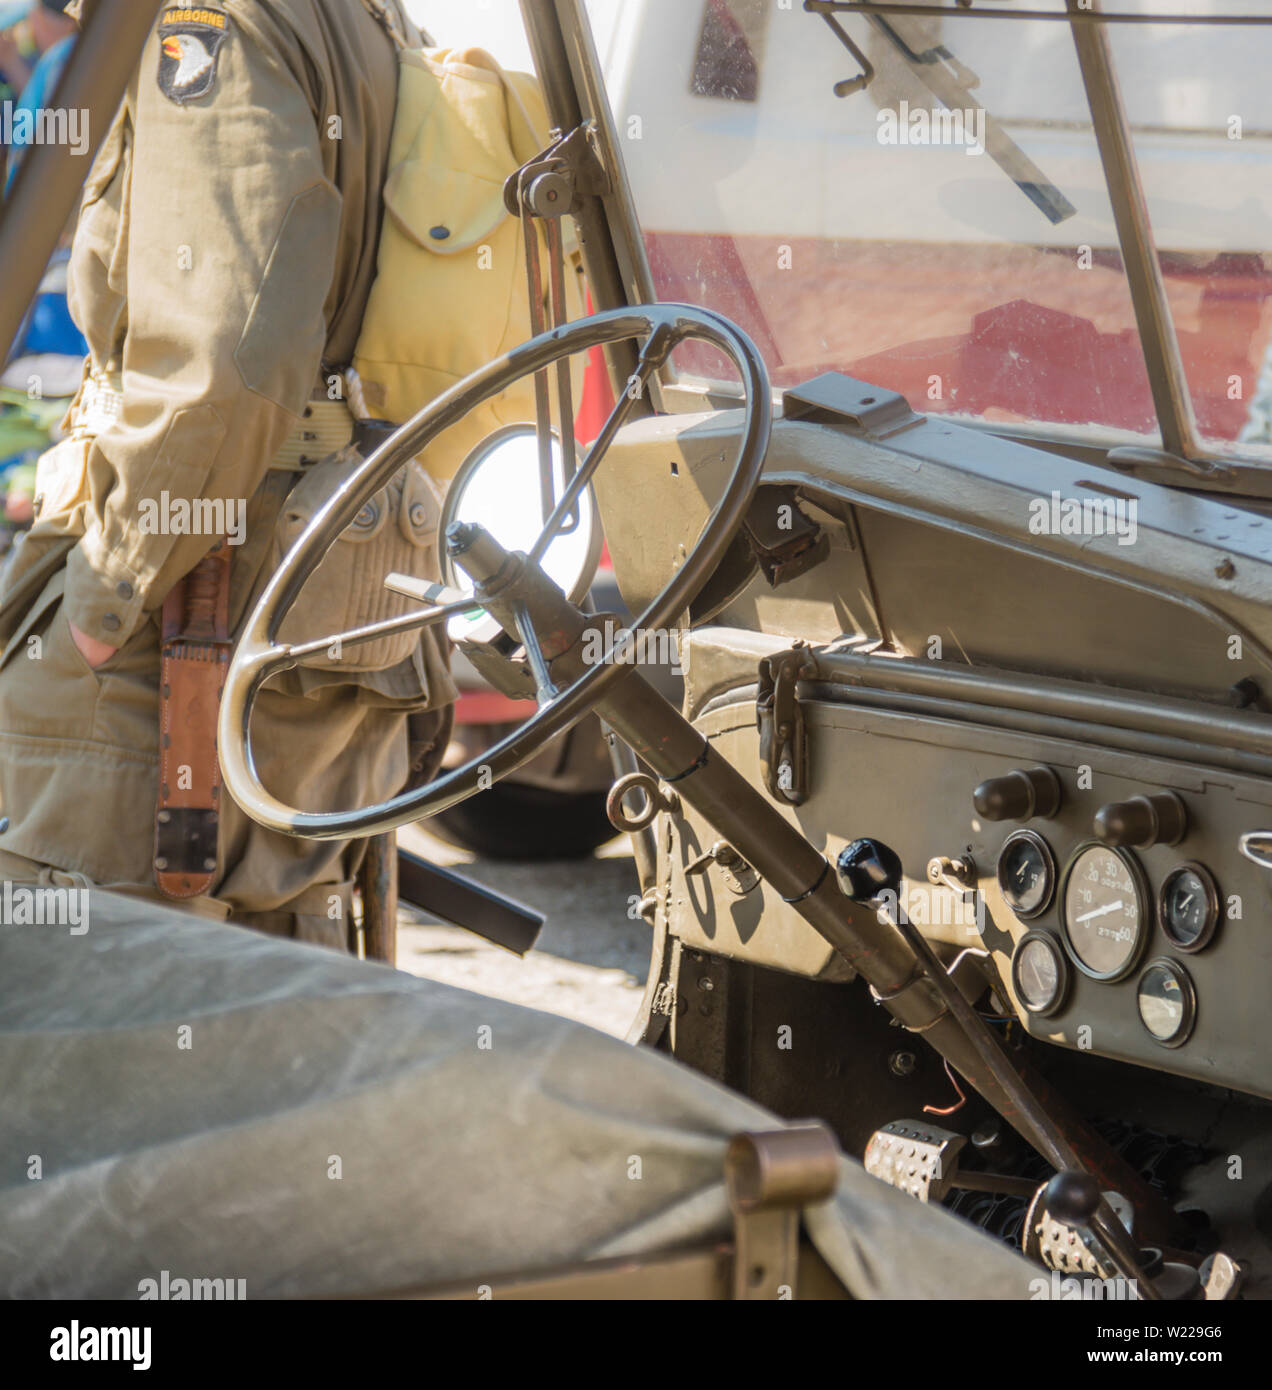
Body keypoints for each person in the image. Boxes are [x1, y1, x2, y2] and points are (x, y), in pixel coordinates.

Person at [0, 0, 457, 948]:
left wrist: (102, 601)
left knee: (82, 999)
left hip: (185, 613)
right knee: (287, 987)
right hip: (319, 579)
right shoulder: (369, 17)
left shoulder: (202, 21)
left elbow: (221, 366)